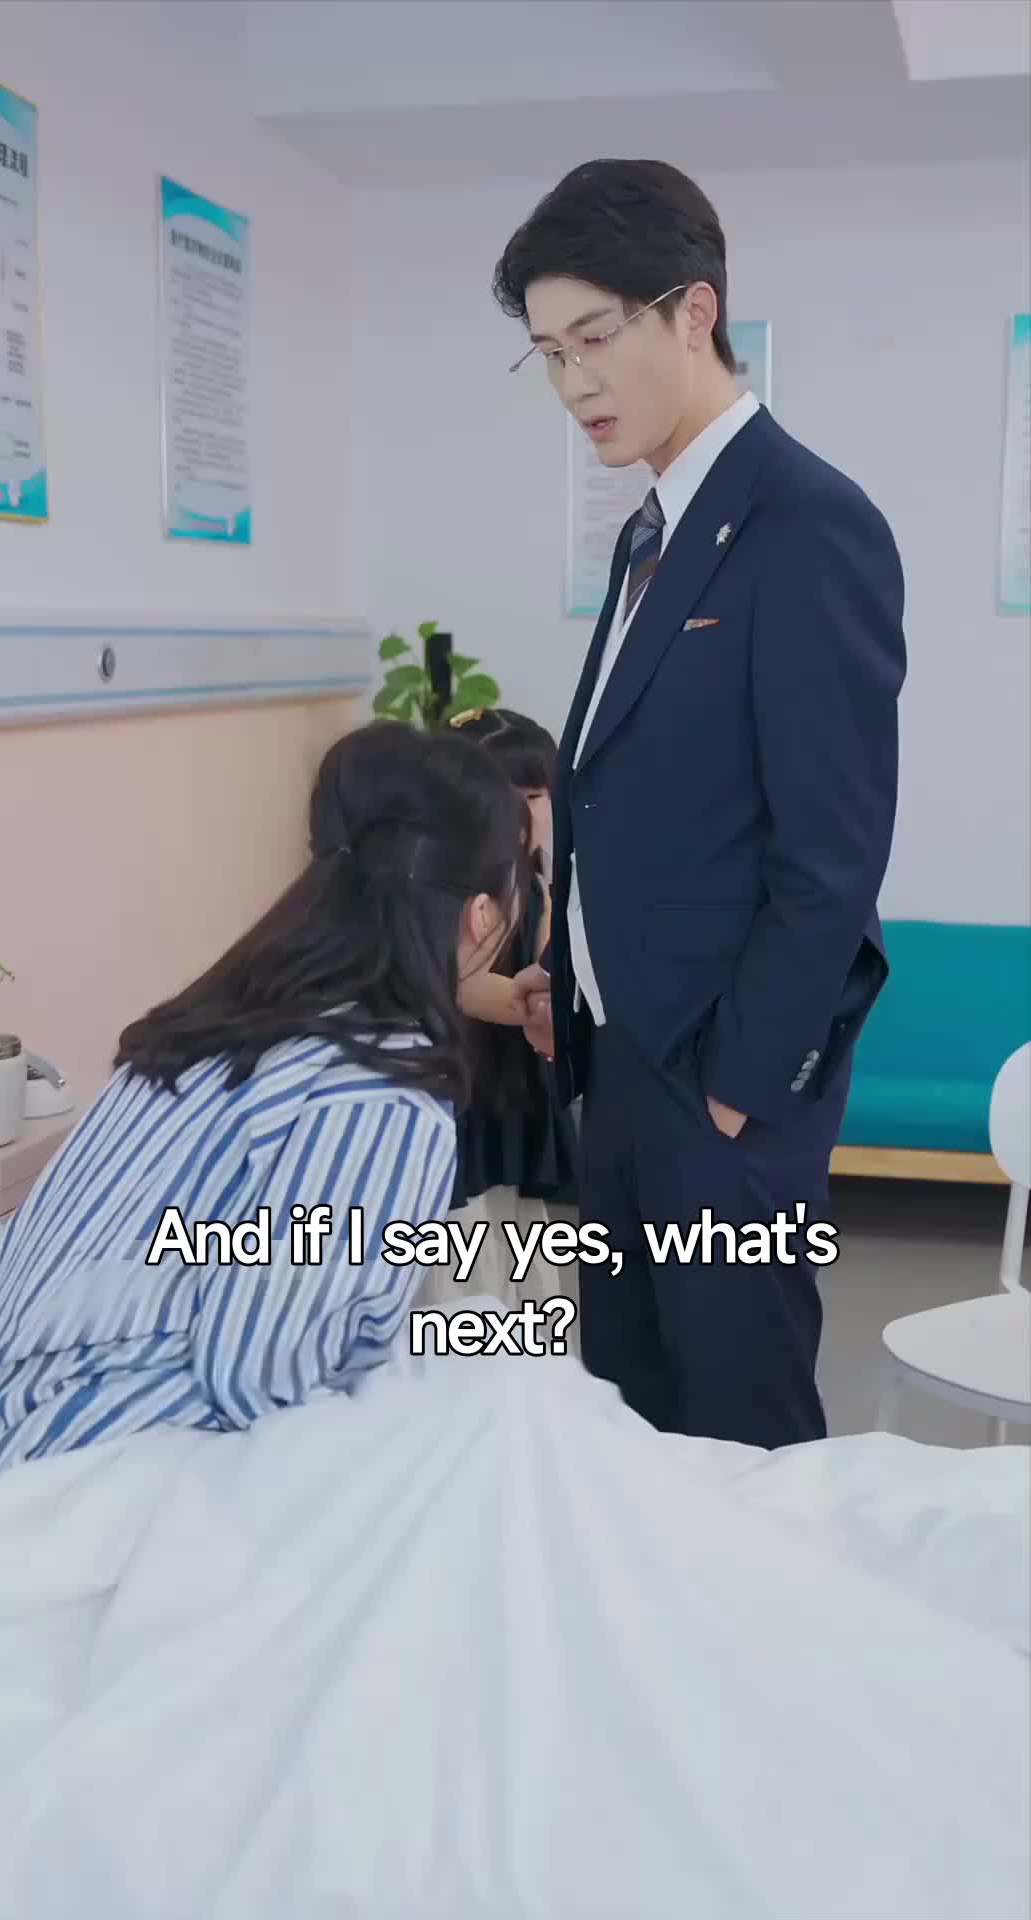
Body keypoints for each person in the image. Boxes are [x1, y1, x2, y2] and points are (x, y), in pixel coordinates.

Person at [494, 159, 907, 1449]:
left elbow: (831, 854)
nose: (574, 384)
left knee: (742, 1431)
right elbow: (630, 793)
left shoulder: (807, 522)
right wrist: (571, 972)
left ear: (694, 311)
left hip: (722, 1084)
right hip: (621, 1061)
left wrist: (742, 1088)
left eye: (595, 338)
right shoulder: (652, 529)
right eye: (548, 355)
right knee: (631, 1416)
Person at [0, 722, 521, 1499]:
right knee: (508, 1420)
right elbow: (263, 1375)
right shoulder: (380, 1091)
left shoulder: (220, 1020)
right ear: (483, 915)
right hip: (72, 1475)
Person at [412, 707, 579, 1328]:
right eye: (505, 798)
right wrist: (534, 1005)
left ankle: (526, 1362)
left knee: (520, 1249)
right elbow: (460, 986)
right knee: (466, 1259)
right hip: (461, 1095)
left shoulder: (538, 880)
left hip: (514, 1093)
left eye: (536, 796)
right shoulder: (450, 890)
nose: (523, 814)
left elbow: (549, 960)